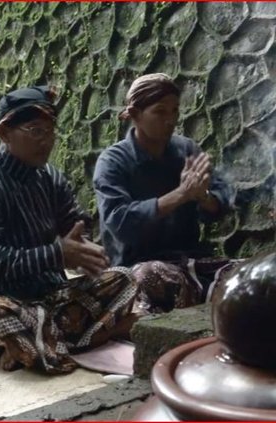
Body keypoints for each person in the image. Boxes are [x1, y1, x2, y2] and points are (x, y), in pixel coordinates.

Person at [0, 86, 138, 374]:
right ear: (4, 133)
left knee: (125, 278)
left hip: (51, 298)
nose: (46, 141)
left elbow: (73, 225)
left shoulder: (50, 177)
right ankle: (86, 336)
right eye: (36, 131)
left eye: (50, 132)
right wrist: (56, 254)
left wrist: (86, 250)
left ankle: (37, 344)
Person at [93, 73, 239, 313]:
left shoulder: (186, 149)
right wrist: (180, 195)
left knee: (247, 276)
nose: (170, 120)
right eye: (160, 112)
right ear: (136, 115)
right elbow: (121, 222)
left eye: (174, 111)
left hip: (190, 261)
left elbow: (220, 199)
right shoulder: (112, 161)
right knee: (152, 278)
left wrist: (203, 197)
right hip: (137, 266)